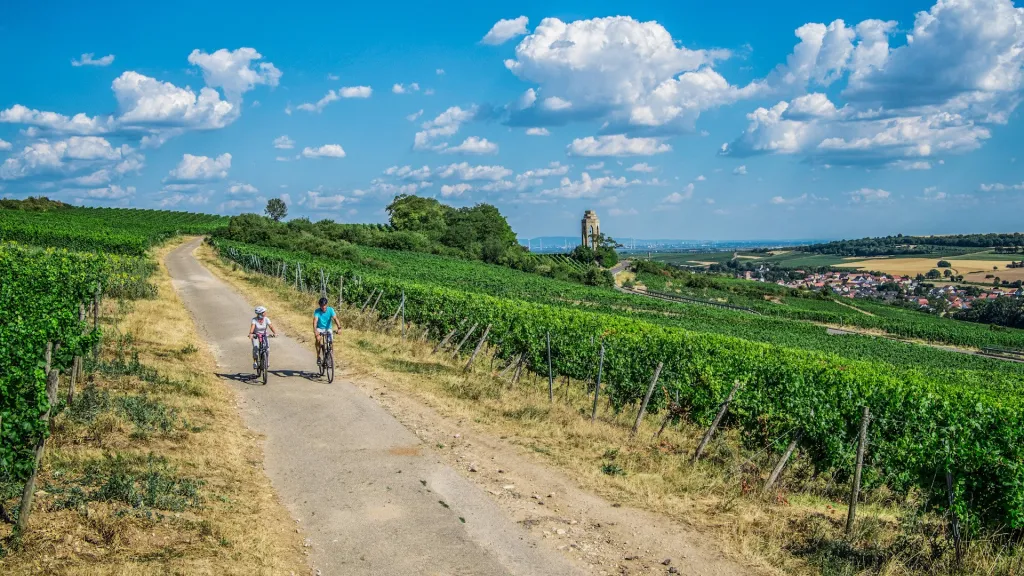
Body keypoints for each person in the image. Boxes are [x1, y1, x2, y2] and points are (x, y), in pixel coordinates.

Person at [314, 296, 341, 367]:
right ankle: (318, 357)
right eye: (322, 306)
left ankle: (330, 357)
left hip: (328, 328)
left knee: (331, 342)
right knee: (318, 339)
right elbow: (315, 321)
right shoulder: (317, 311)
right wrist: (315, 331)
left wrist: (339, 328)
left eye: (325, 305)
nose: (323, 307)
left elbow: (335, 319)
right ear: (320, 306)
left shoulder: (330, 310)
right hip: (319, 328)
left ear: (327, 305)